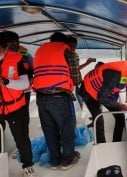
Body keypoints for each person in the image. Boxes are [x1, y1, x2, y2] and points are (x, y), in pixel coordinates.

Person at [32, 32, 80, 170]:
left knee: (49, 131)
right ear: (64, 43)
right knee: (66, 129)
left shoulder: (39, 51)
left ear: (51, 41)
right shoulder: (68, 52)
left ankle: (54, 161)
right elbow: (76, 79)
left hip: (40, 98)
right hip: (60, 97)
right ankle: (67, 160)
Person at [80, 60, 127, 143]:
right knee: (98, 118)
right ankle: (102, 145)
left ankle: (116, 141)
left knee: (120, 117)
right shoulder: (115, 75)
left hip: (104, 93)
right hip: (88, 91)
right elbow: (102, 98)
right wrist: (119, 105)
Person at [0, 31, 38, 176]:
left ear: (4, 47)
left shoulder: (18, 59)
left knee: (21, 137)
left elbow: (25, 83)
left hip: (16, 107)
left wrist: (7, 82)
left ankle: (28, 167)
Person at [67, 36, 95, 109]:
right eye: (71, 46)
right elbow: (74, 69)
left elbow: (76, 68)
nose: (73, 48)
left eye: (74, 46)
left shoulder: (74, 54)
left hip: (76, 84)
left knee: (79, 104)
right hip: (70, 85)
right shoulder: (67, 55)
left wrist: (87, 63)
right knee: (75, 106)